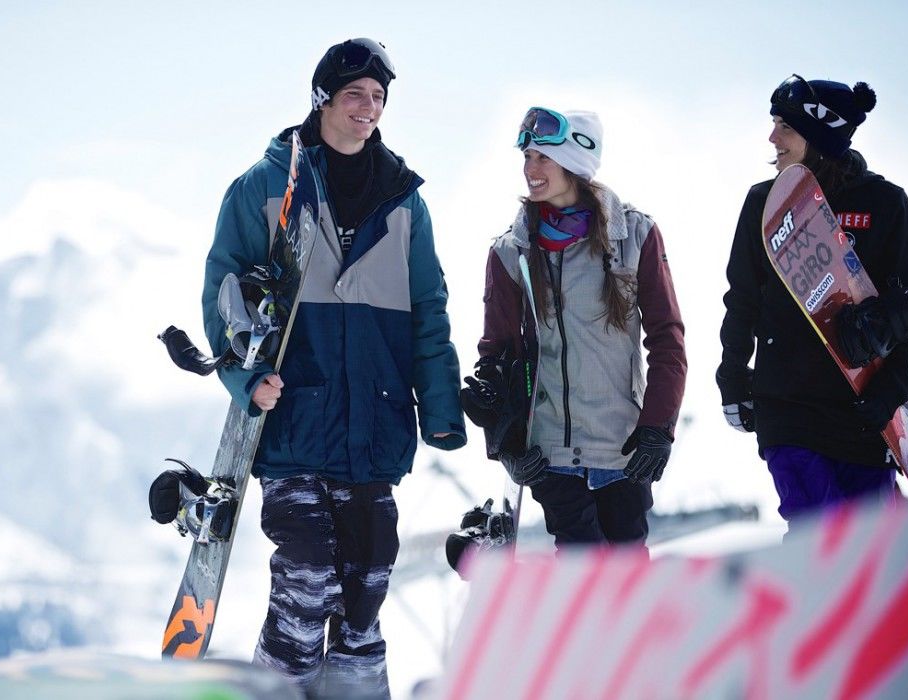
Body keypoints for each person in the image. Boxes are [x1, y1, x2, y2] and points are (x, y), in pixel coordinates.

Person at [201, 38, 466, 698]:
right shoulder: (264, 188)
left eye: (378, 97)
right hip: (294, 426)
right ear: (322, 99)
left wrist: (439, 411)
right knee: (307, 583)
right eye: (355, 95)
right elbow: (222, 291)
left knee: (364, 592)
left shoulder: (405, 203)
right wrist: (243, 377)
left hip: (374, 428)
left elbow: (427, 311)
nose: (368, 108)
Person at [461, 107, 686, 553]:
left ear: (575, 162)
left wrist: (658, 427)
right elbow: (497, 355)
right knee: (582, 578)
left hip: (623, 449)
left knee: (626, 582)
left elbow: (667, 340)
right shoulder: (512, 252)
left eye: (542, 157)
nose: (530, 169)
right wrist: (505, 442)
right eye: (526, 157)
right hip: (550, 455)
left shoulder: (635, 235)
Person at [717, 75, 908, 523]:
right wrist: (734, 376)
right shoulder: (765, 203)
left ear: (820, 137)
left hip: (862, 415)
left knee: (868, 556)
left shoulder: (884, 204)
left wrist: (891, 393)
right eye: (774, 123)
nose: (772, 137)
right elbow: (742, 299)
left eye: (786, 127)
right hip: (788, 411)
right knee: (815, 543)